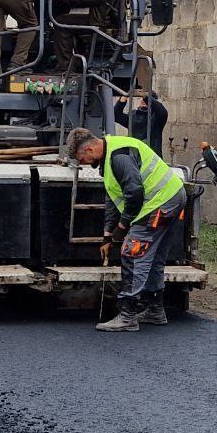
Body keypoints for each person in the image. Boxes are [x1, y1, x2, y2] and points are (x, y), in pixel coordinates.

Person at [66, 126, 187, 333]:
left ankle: (128, 316)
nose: (83, 164)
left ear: (89, 150)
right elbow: (114, 199)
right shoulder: (112, 154)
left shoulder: (119, 157)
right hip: (172, 199)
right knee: (154, 258)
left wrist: (122, 228)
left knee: (132, 254)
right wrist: (107, 235)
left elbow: (134, 193)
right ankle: (155, 310)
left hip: (159, 204)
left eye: (81, 159)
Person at [115, 91, 168, 158]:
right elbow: (117, 115)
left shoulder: (157, 117)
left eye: (146, 99)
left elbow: (162, 111)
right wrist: (124, 96)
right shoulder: (133, 115)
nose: (143, 100)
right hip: (134, 158)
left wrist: (146, 96)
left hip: (151, 158)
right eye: (142, 98)